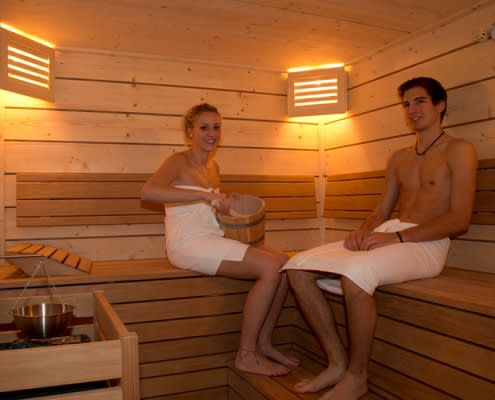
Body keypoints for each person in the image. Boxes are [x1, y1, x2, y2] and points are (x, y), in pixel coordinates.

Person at [283, 77, 477, 399]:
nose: (412, 109)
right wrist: (364, 231)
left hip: (428, 244)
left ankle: (357, 377)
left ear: (440, 105)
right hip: (393, 234)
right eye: (406, 104)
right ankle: (336, 363)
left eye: (420, 101)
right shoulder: (400, 158)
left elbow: (459, 220)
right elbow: (382, 210)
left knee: (355, 276)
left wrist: (399, 237)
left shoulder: (460, 150)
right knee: (297, 268)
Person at [140, 103, 299, 376]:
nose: (211, 133)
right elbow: (148, 192)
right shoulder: (178, 161)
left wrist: (226, 203)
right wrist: (203, 195)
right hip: (187, 243)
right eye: (204, 127)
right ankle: (246, 355)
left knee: (284, 263)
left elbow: (208, 209)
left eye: (216, 127)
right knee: (270, 267)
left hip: (214, 236)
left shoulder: (214, 166)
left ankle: (264, 342)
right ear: (190, 131)